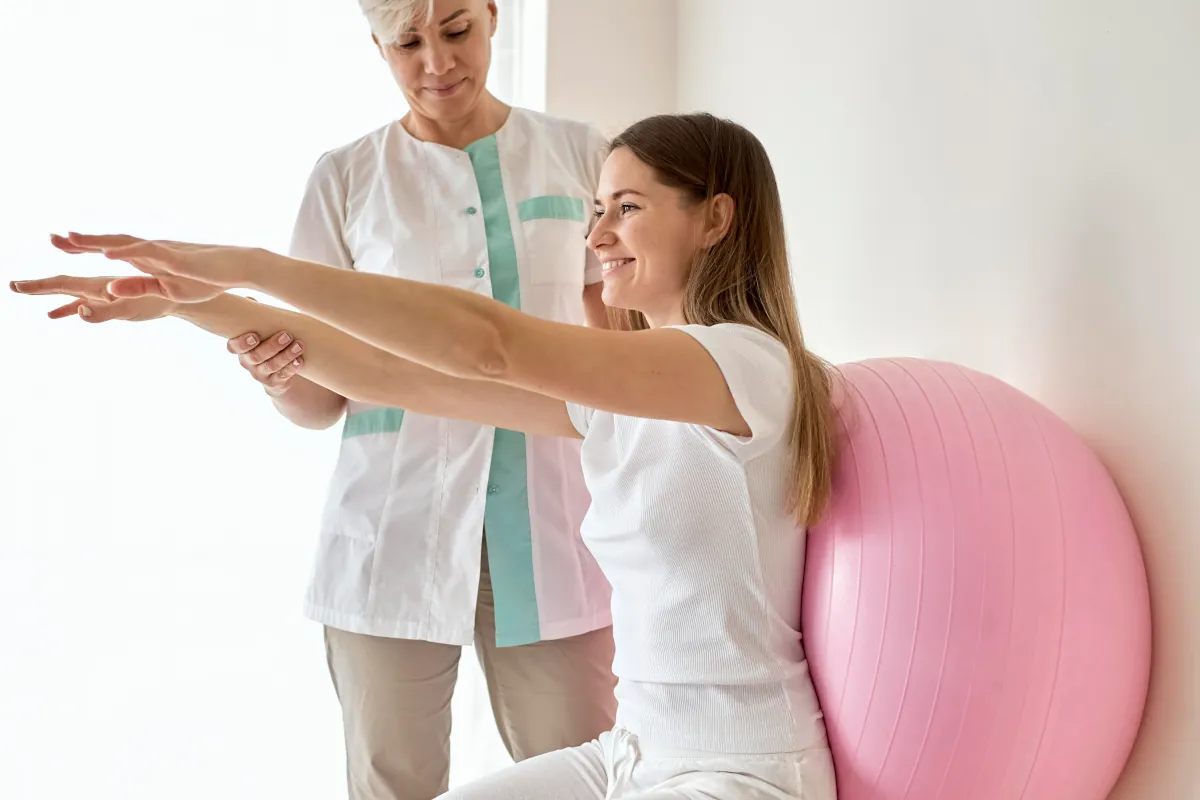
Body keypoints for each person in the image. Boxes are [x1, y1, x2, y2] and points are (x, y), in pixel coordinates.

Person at [13, 111, 840, 798]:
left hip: (740, 769)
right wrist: (195, 304)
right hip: (629, 754)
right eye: (594, 209)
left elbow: (488, 344)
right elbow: (387, 376)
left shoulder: (740, 365)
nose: (596, 235)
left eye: (627, 209)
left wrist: (255, 267)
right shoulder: (626, 401)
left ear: (717, 219)